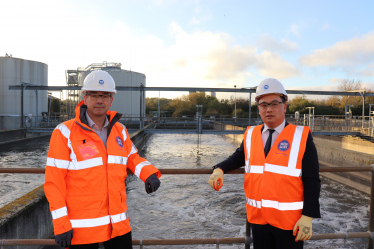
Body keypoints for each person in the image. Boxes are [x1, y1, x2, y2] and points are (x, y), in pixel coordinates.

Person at [44, 70, 161, 248]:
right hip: (82, 227)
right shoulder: (64, 132)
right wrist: (61, 224)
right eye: (94, 95)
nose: (100, 100)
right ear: (85, 97)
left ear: (111, 99)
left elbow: (131, 157)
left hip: (117, 223)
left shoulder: (119, 130)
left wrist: (149, 173)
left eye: (105, 95)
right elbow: (54, 181)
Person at [208, 78, 321, 249]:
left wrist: (308, 217)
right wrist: (219, 169)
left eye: (274, 103)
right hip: (259, 221)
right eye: (263, 105)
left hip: (290, 222)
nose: (268, 109)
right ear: (258, 108)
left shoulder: (302, 136)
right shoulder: (251, 134)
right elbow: (239, 156)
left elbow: (312, 179)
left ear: (285, 105)